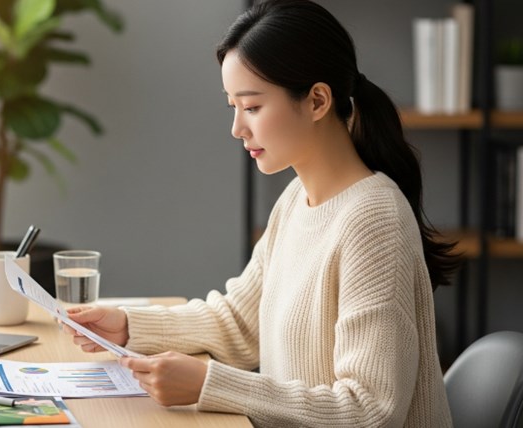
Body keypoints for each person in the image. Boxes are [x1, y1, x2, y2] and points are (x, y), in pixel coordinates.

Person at [62, 1, 460, 426]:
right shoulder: (295, 200)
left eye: (251, 107)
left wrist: (209, 385)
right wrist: (126, 327)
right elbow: (238, 324)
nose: (237, 128)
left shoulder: (374, 219)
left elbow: (370, 411)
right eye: (232, 105)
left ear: (317, 100)